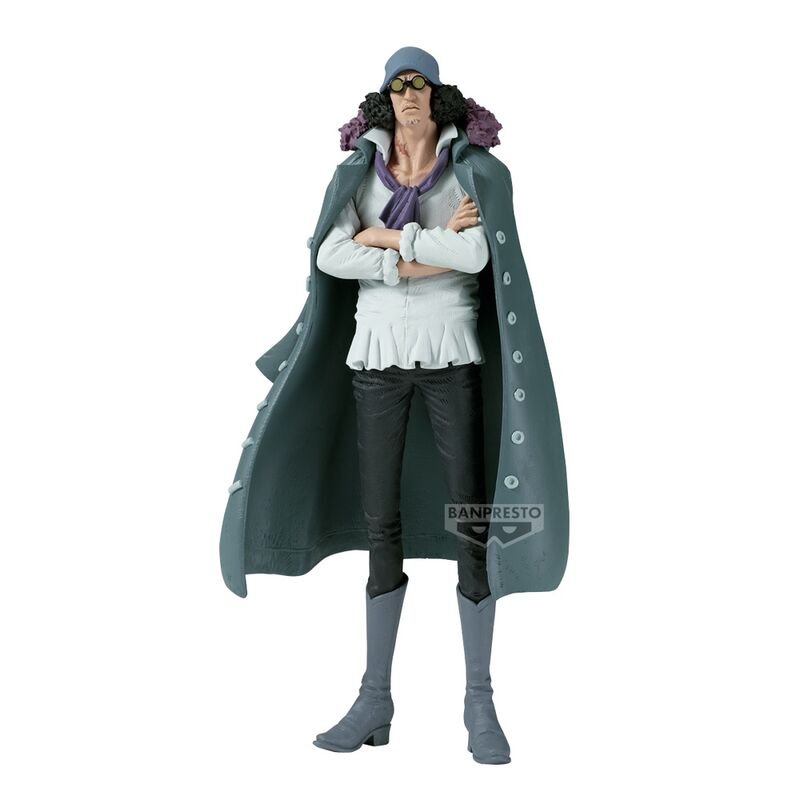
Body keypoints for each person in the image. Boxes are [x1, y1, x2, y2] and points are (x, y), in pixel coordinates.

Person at [312, 46, 511, 764]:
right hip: (377, 359)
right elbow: (330, 254)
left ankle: (479, 700)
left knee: (471, 522)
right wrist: (422, 252)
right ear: (385, 101)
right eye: (397, 86)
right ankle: (375, 698)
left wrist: (384, 238)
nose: (408, 95)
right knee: (380, 524)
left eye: (419, 84)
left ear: (436, 97)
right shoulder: (359, 174)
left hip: (450, 353)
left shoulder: (470, 173)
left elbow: (477, 256)